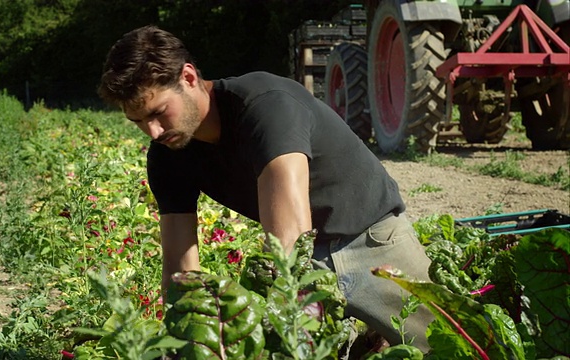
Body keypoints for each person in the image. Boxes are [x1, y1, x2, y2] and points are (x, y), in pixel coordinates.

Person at [98, 25, 434, 352]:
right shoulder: (168, 155)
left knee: (445, 345)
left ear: (188, 77)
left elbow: (290, 238)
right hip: (310, 259)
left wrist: (285, 320)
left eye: (158, 113)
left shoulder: (264, 106)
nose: (153, 131)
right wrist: (188, 338)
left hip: (374, 243)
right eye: (138, 121)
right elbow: (179, 268)